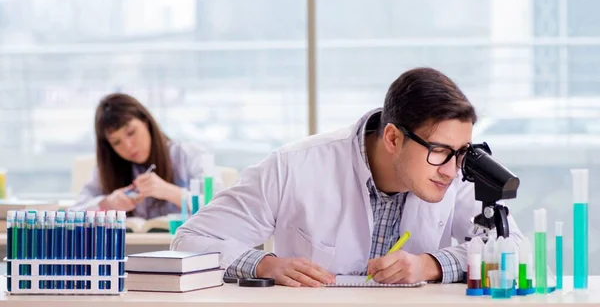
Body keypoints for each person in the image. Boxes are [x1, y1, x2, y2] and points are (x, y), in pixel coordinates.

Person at [171, 67, 523, 286]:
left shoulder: (453, 171)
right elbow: (190, 240)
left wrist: (430, 264)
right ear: (393, 138)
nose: (451, 169)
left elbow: (515, 250)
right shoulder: (294, 165)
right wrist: (266, 264)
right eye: (440, 151)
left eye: (461, 152)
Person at [72, 93, 216, 219]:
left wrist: (170, 192)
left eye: (131, 132)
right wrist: (107, 203)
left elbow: (220, 210)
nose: (128, 146)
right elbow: (75, 212)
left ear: (146, 122)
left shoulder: (190, 155)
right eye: (116, 142)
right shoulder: (108, 169)